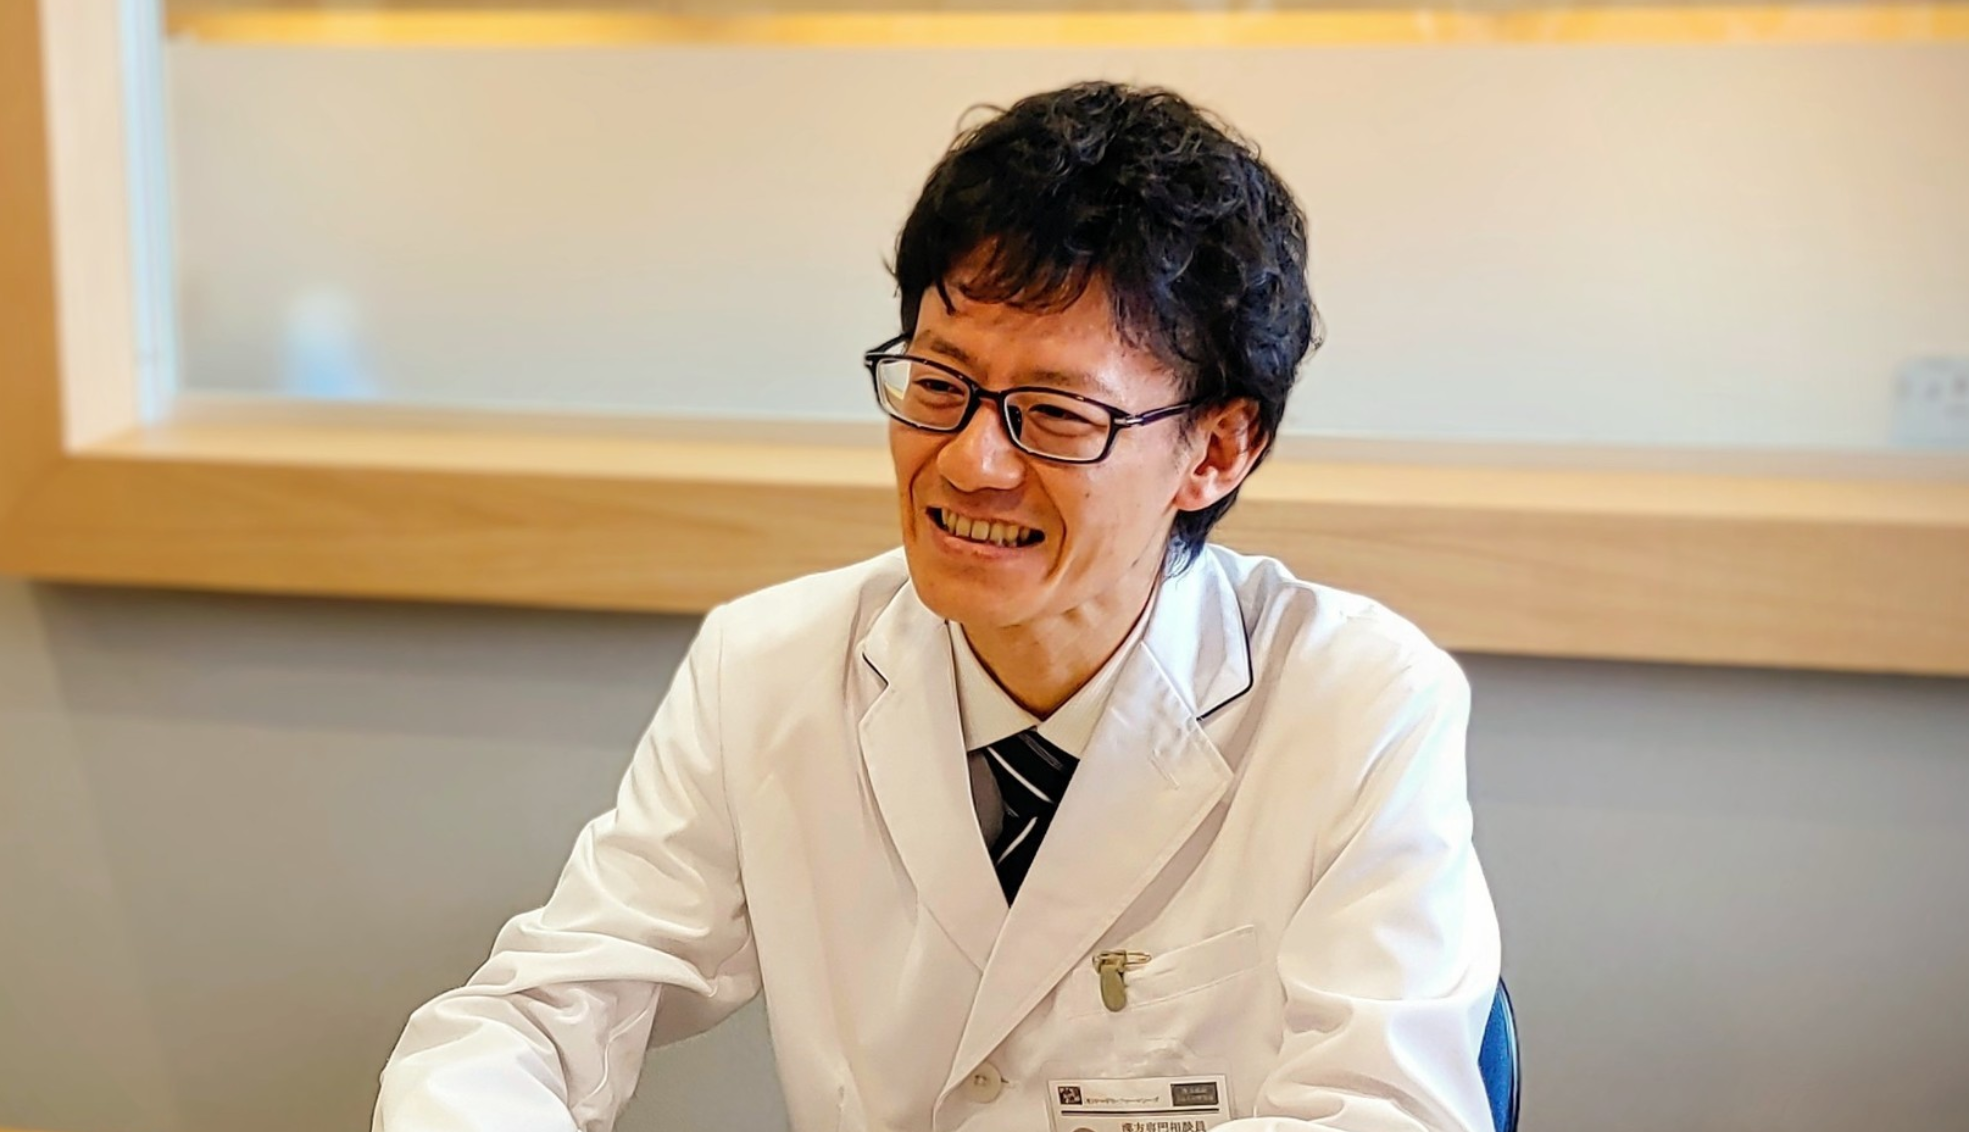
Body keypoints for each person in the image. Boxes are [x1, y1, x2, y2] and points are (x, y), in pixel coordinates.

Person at [373, 80, 1500, 1132]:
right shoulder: (767, 668)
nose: (969, 462)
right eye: (939, 383)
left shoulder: (1355, 703)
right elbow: (536, 1016)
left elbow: (1385, 1111)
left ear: (1217, 449)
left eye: (1056, 414)